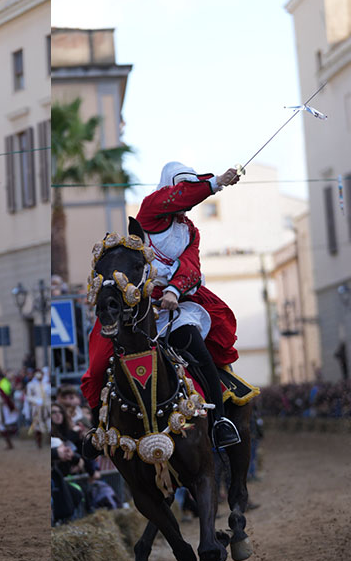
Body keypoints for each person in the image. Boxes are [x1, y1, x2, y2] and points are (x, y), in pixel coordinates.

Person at [81, 162, 242, 448]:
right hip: (137, 303)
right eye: (184, 188)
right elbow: (182, 195)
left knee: (198, 349)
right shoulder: (151, 210)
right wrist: (217, 182)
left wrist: (173, 290)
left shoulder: (190, 231)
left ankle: (219, 423)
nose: (187, 203)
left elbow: (191, 265)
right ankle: (97, 428)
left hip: (174, 303)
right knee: (96, 365)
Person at [26, 368, 50, 448]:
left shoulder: (47, 384)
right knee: (37, 424)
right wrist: (36, 401)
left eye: (40, 373)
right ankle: (39, 444)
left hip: (46, 407)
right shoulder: (31, 385)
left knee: (48, 422)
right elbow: (28, 397)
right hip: (37, 408)